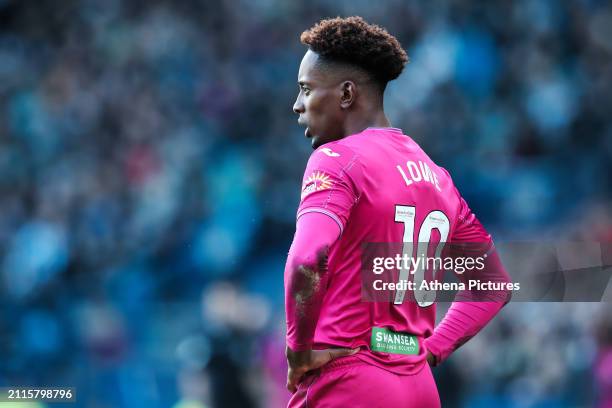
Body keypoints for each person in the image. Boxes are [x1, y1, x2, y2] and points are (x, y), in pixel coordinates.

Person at [284, 16, 511, 407]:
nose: (297, 105)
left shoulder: (337, 160)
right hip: (419, 388)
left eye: (306, 90)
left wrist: (298, 350)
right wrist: (431, 351)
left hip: (350, 382)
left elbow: (307, 259)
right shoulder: (436, 177)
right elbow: (492, 284)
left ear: (346, 94)